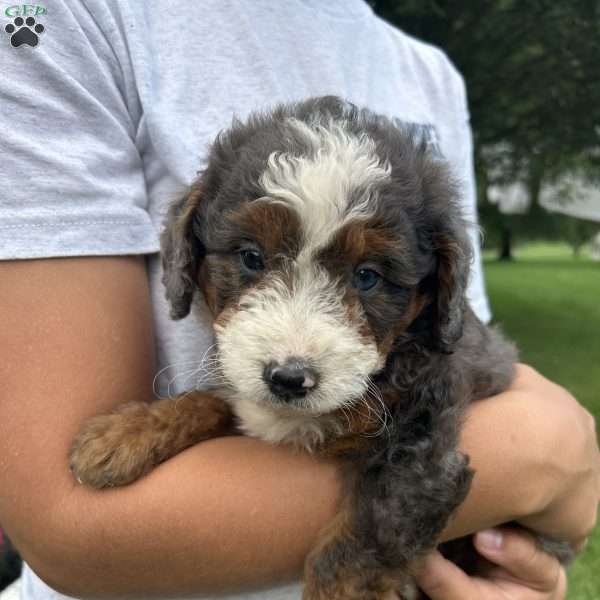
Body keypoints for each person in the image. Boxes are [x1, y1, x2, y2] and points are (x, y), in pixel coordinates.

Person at [0, 2, 597, 600]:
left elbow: (426, 472)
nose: (293, 351)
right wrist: (541, 452)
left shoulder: (430, 74)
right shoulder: (64, 18)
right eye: (253, 262)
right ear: (191, 249)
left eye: (367, 276)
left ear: (434, 287)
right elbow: (69, 521)